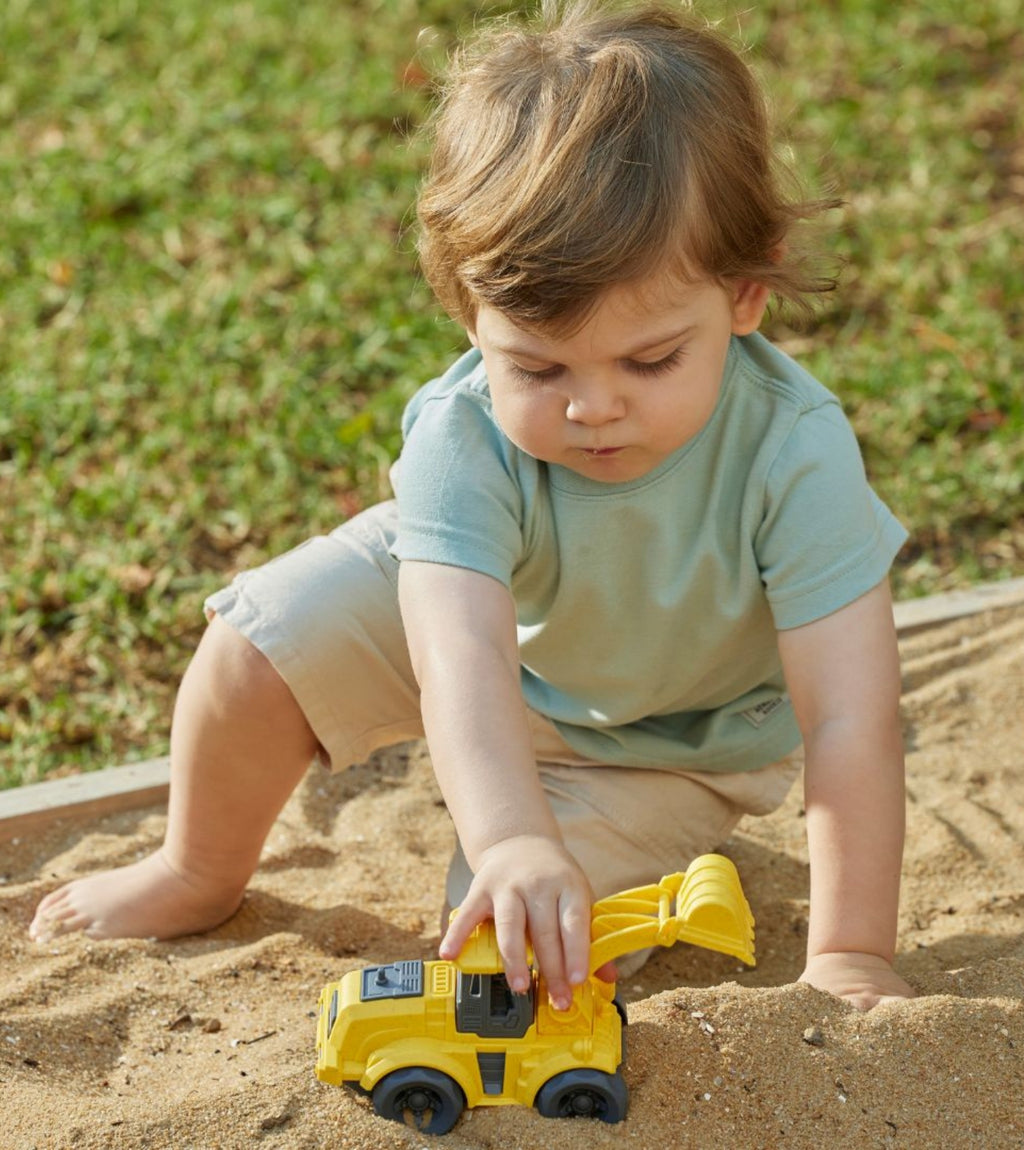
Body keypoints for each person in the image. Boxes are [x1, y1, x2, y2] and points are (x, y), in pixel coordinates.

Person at [30, 0, 915, 1012]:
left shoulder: (792, 450)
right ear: (468, 312)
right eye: (535, 365)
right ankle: (196, 866)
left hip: (668, 739)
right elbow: (460, 653)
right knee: (256, 644)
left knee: (511, 948)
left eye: (650, 357)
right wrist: (510, 832)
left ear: (745, 298)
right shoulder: (461, 430)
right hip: (497, 639)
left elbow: (849, 715)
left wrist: (851, 951)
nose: (591, 407)